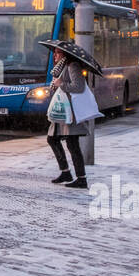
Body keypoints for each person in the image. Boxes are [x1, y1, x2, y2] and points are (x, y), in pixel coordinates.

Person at [44, 45, 90, 188]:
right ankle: (66, 172)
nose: (55, 55)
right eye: (55, 52)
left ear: (65, 55)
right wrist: (57, 83)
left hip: (70, 112)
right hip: (61, 111)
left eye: (58, 53)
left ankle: (81, 178)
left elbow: (79, 87)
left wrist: (61, 84)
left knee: (72, 144)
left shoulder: (72, 66)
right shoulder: (59, 68)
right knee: (52, 139)